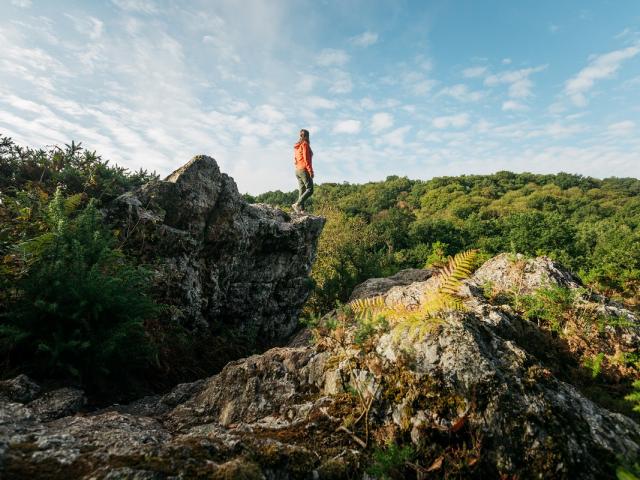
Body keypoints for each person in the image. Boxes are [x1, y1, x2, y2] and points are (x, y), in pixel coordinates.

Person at [292, 129, 314, 213]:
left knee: (302, 190)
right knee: (310, 189)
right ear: (307, 136)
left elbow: (295, 159)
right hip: (303, 169)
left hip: (297, 170)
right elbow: (306, 159)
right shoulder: (305, 144)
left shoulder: (297, 146)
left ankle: (302, 210)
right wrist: (310, 171)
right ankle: (297, 204)